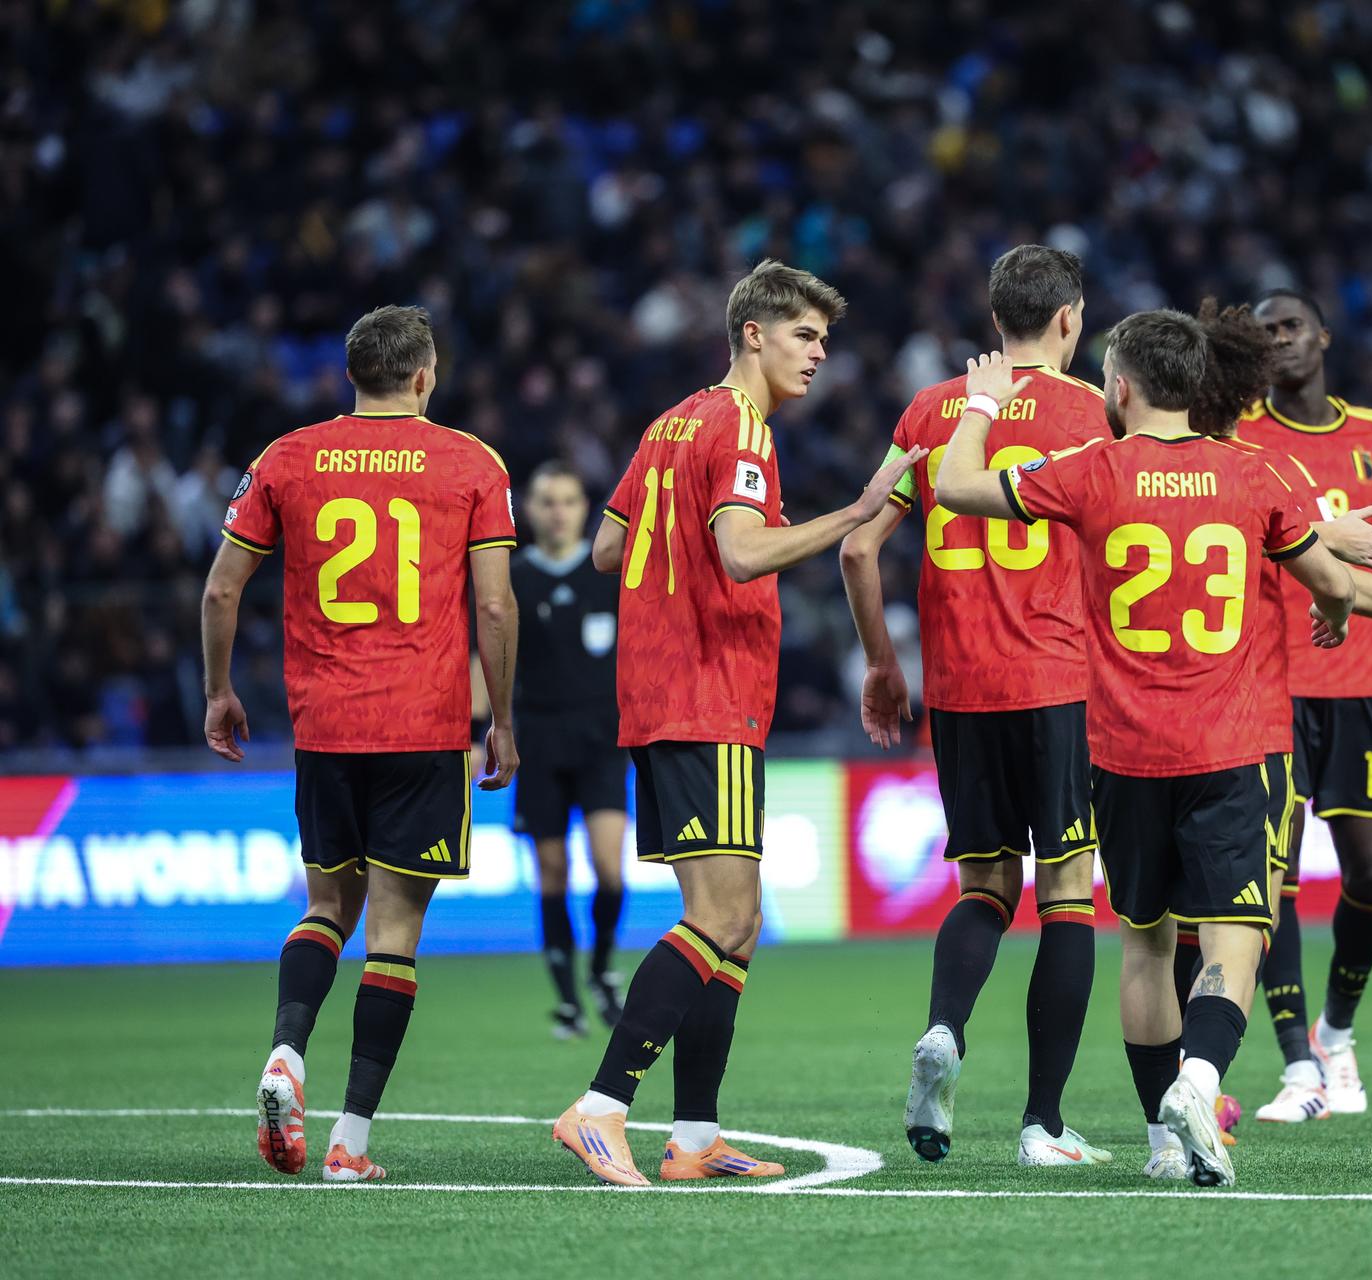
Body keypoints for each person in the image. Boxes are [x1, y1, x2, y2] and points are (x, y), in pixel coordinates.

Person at [934, 307, 1372, 1186]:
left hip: (1122, 753)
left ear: (1125, 386)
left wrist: (982, 406)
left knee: (1144, 946)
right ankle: (1202, 1080)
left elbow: (955, 486)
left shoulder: (1089, 471)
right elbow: (1339, 584)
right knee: (1233, 942)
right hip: (1234, 748)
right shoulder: (1252, 476)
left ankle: (1161, 1145)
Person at [550, 260, 924, 1186]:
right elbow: (743, 551)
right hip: (705, 691)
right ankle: (599, 1109)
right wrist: (857, 512)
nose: (819, 355)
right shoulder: (744, 427)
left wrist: (671, 551)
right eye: (804, 335)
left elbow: (605, 546)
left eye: (826, 341)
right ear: (751, 333)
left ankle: (694, 1137)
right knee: (720, 915)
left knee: (738, 924)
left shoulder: (673, 420)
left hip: (669, 695)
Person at [202, 304, 519, 1182]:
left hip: (325, 726)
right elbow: (493, 604)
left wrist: (220, 691)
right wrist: (502, 719)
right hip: (422, 728)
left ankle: (285, 1055)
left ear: (353, 374)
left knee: (326, 910)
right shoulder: (470, 462)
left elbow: (222, 591)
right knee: (395, 933)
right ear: (423, 375)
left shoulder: (285, 458)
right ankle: (351, 1144)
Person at [839, 245, 1114, 1167]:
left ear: (996, 321)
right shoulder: (1095, 415)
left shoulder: (930, 411)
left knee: (985, 889)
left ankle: (945, 1033)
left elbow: (856, 547)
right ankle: (1042, 1123)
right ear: (1070, 319)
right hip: (1058, 682)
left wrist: (884, 665)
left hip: (960, 690)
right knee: (1067, 895)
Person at [1231, 288, 1372, 1123]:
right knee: (1272, 879)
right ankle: (1299, 1067)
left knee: (1371, 871)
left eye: (1288, 326)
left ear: (1322, 335)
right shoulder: (1239, 433)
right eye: (1263, 333)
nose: (1278, 341)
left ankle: (1338, 1032)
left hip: (1363, 684)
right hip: (1271, 684)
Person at [508, 459, 629, 1037]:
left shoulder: (609, 570)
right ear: (529, 510)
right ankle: (567, 1001)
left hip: (603, 739)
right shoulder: (512, 576)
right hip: (538, 740)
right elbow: (490, 661)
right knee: (551, 871)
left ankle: (603, 969)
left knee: (609, 867)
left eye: (569, 501)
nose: (558, 512)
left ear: (586, 509)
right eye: (546, 501)